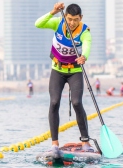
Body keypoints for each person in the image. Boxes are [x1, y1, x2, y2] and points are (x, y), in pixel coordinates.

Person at [35, 2, 93, 156]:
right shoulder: (58, 23)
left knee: (77, 102)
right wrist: (52, 12)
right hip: (57, 71)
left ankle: (85, 141)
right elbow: (38, 24)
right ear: (65, 17)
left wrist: (84, 57)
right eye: (69, 19)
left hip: (75, 71)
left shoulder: (85, 31)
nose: (72, 23)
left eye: (75, 19)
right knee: (54, 102)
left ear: (81, 18)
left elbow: (87, 45)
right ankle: (54, 144)